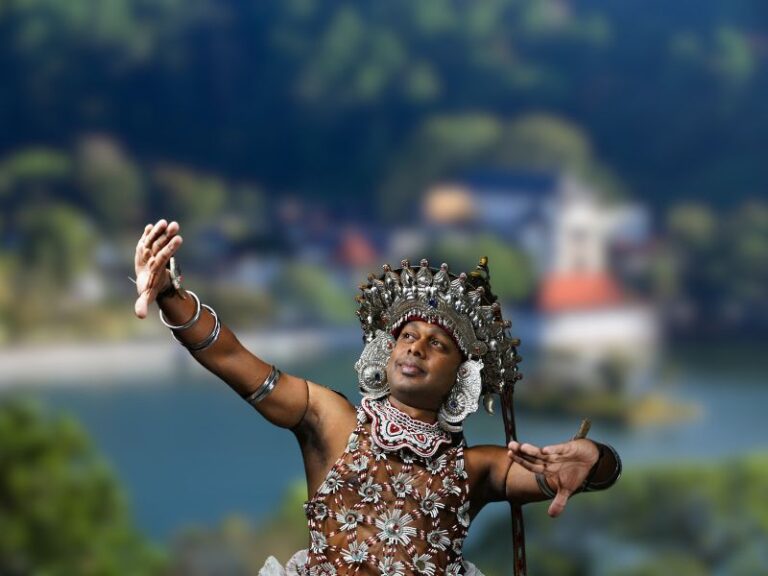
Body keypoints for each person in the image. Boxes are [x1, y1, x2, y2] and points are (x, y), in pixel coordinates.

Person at [134, 219, 621, 575]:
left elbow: (562, 476)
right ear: (385, 349)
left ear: (461, 377)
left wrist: (596, 462)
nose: (415, 347)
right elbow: (232, 358)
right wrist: (169, 294)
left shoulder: (477, 469)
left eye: (438, 344)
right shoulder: (330, 419)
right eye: (407, 334)